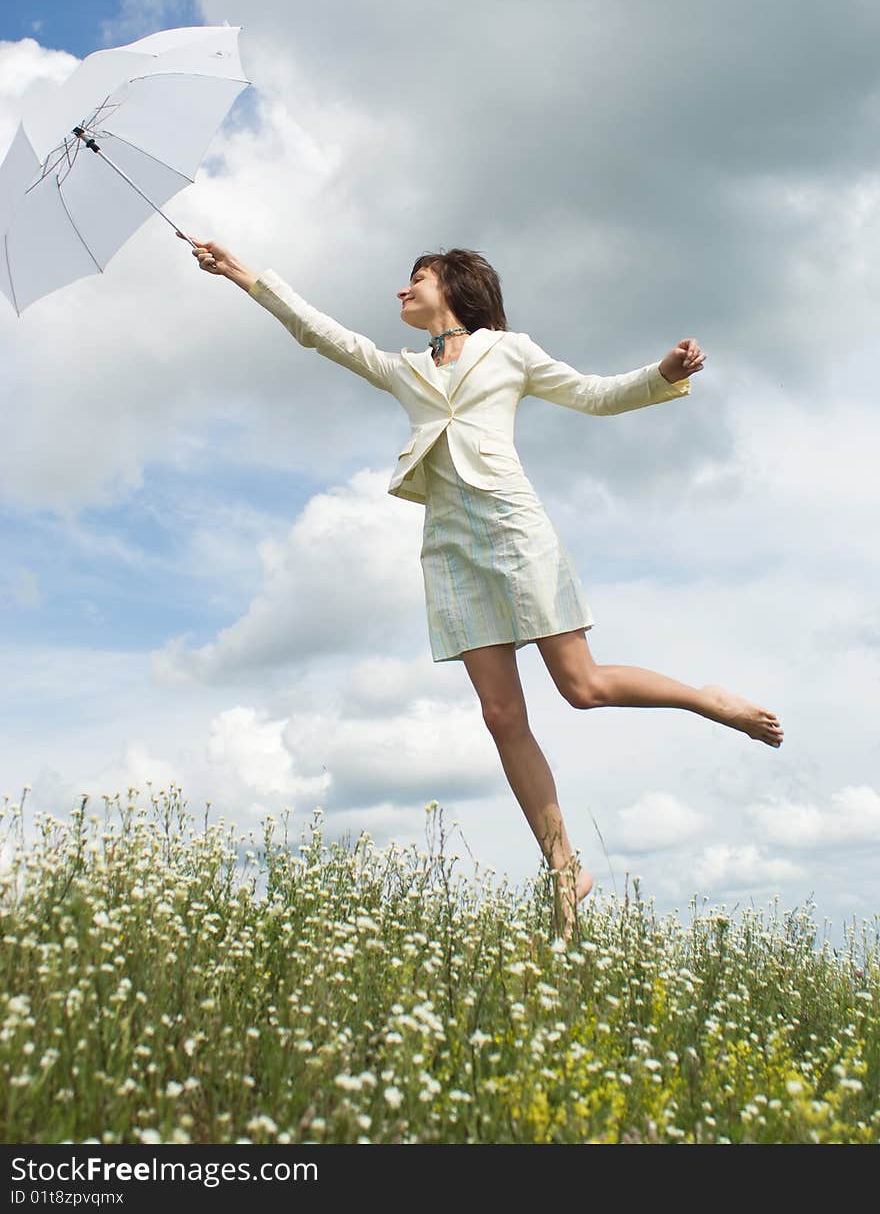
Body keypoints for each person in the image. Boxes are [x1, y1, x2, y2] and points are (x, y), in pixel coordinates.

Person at [181, 232, 784, 940]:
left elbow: (592, 394)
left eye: (416, 278)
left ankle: (708, 699)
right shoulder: (403, 368)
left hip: (515, 530)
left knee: (581, 687)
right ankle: (564, 868)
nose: (401, 291)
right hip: (451, 551)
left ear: (453, 287)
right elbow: (320, 332)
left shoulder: (509, 350)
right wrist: (237, 272)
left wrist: (663, 370)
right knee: (501, 717)